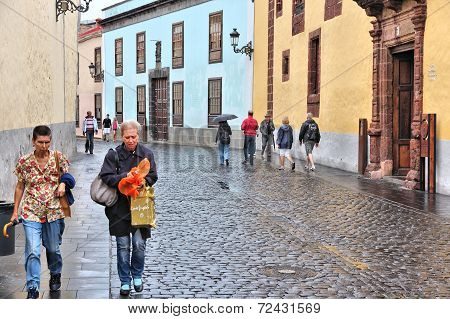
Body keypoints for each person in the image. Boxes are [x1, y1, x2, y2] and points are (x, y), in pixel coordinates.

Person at [10, 125, 70, 299]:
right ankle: (33, 287)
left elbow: (67, 177)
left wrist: (63, 184)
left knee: (53, 249)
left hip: (54, 211)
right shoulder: (24, 162)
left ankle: (55, 273)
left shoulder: (59, 157)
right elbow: (20, 186)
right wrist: (15, 211)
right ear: (33, 141)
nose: (44, 146)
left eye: (47, 142)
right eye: (40, 142)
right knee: (33, 251)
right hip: (31, 211)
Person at [100, 120, 158, 296]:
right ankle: (125, 280)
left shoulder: (147, 154)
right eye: (127, 137)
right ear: (121, 137)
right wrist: (125, 177)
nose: (131, 140)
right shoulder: (113, 155)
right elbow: (106, 176)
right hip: (119, 208)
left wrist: (142, 181)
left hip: (140, 207)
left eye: (133, 136)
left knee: (139, 244)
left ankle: (137, 275)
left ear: (138, 136)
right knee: (123, 246)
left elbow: (153, 176)